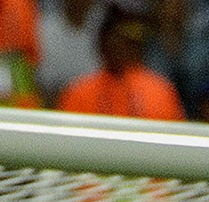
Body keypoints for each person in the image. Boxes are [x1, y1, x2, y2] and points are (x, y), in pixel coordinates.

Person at [56, 5, 186, 120]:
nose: (118, 46)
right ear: (101, 44)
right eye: (113, 39)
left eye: (125, 41)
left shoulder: (160, 92)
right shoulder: (79, 93)